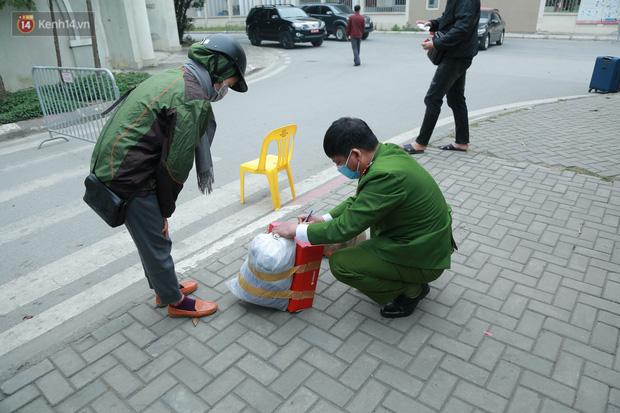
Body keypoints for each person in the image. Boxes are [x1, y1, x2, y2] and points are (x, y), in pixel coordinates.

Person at [89, 34, 248, 318]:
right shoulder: (193, 97)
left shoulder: (178, 77)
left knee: (149, 237)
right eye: (227, 83)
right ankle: (174, 302)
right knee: (157, 239)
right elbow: (174, 167)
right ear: (219, 70)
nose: (223, 91)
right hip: (128, 173)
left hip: (119, 163)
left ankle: (166, 287)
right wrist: (165, 210)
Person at [272, 117, 456, 318]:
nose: (339, 168)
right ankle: (407, 278)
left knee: (342, 264)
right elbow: (359, 200)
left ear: (356, 154)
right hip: (423, 242)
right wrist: (323, 219)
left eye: (340, 163)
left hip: (424, 256)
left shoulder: (385, 176)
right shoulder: (388, 154)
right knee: (365, 244)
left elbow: (344, 229)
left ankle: (413, 290)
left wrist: (296, 230)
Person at [402, 0, 480, 155]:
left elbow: (462, 28)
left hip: (456, 56)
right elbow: (448, 19)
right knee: (456, 99)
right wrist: (431, 23)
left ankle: (420, 143)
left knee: (433, 98)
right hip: (458, 53)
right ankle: (461, 142)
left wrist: (436, 43)